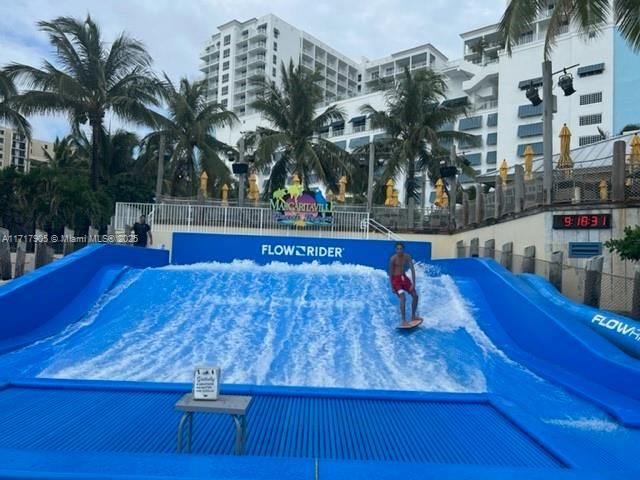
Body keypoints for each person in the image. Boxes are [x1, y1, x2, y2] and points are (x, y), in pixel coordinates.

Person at [388, 242, 419, 326]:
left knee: (415, 296)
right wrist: (392, 286)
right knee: (403, 297)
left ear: (403, 249)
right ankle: (403, 320)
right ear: (395, 250)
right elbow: (390, 273)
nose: (399, 250)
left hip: (404, 278)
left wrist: (413, 284)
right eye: (397, 249)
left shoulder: (407, 257)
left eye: (401, 249)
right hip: (396, 280)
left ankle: (413, 316)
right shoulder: (393, 259)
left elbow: (412, 270)